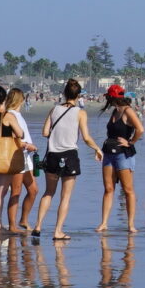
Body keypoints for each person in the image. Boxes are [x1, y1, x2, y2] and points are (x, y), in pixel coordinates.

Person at [40, 81, 100, 241]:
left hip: (52, 156)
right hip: (69, 156)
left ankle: (38, 226)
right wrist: (97, 149)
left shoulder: (54, 109)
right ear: (79, 95)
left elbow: (45, 132)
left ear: (65, 93)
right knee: (65, 197)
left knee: (48, 192)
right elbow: (86, 138)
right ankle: (57, 231)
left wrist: (57, 133)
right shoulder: (80, 113)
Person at [0, 86, 35, 234]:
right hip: (6, 156)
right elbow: (20, 133)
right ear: (5, 98)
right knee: (1, 191)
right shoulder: (8, 116)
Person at [97, 85, 143, 234]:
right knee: (108, 189)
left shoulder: (127, 110)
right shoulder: (115, 111)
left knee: (128, 190)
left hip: (123, 154)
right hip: (109, 153)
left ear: (112, 97)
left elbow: (140, 129)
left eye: (108, 97)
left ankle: (130, 225)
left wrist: (130, 142)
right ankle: (104, 223)